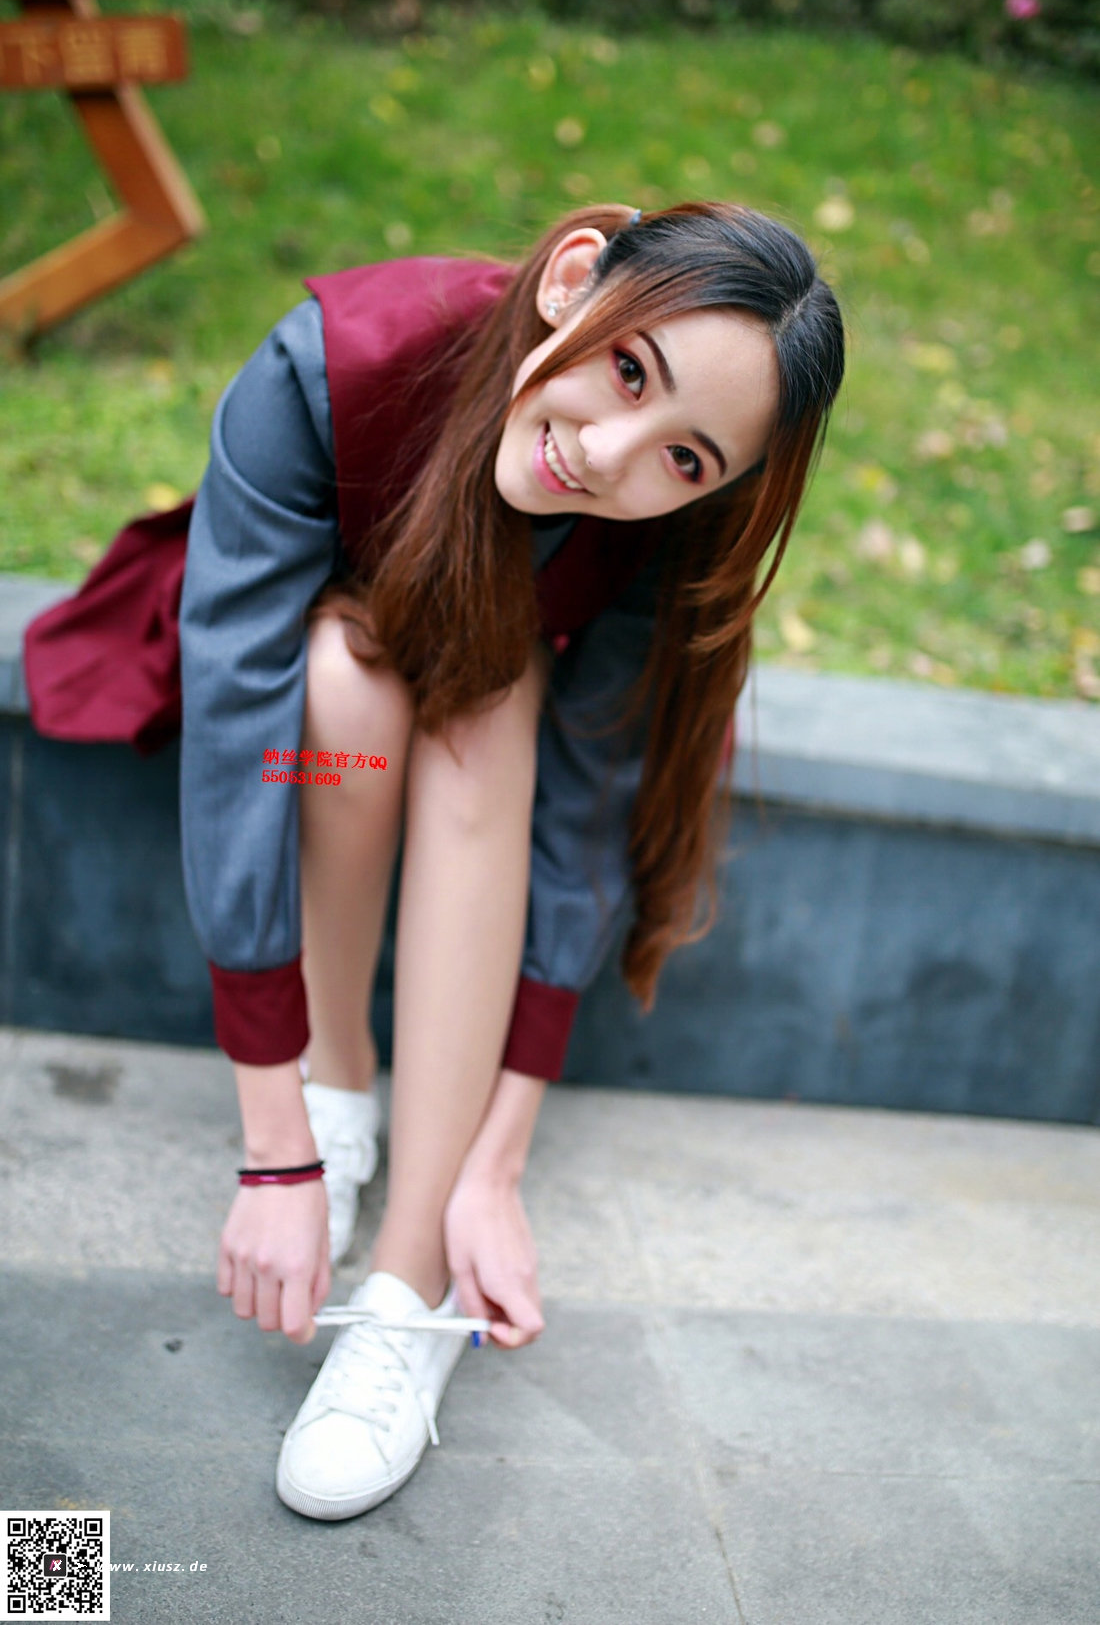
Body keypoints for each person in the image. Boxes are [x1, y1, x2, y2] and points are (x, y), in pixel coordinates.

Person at [23, 200, 844, 1523]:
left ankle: (410, 1287)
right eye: (629, 370)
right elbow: (238, 735)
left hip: (481, 731)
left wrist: (493, 1169)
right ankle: (338, 1084)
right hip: (312, 740)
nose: (609, 453)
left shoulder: (660, 529)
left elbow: (581, 817)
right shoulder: (334, 362)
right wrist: (275, 1145)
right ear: (575, 279)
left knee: (487, 699)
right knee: (341, 684)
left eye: (683, 457)